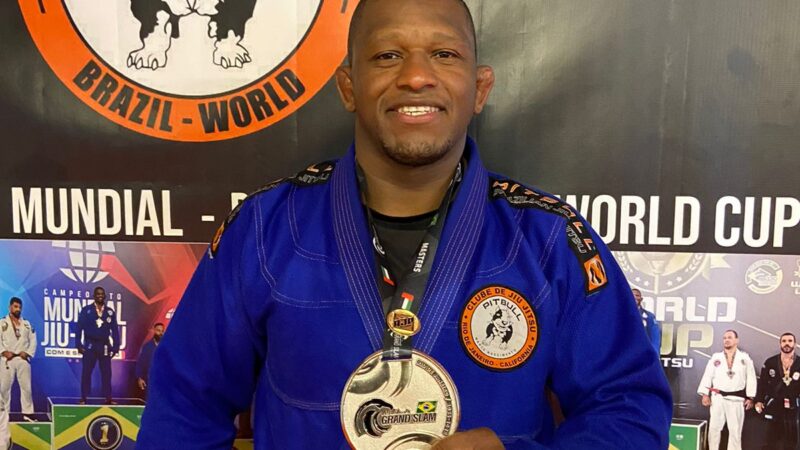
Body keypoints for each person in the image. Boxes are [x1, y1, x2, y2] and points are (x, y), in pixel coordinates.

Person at [137, 0, 672, 448]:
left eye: (445, 54)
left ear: (480, 88)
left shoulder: (549, 239)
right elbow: (183, 407)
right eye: (387, 55)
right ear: (348, 86)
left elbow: (628, 406)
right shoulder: (263, 232)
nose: (416, 76)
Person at [697, 329, 757, 450]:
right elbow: (708, 375)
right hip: (717, 398)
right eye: (724, 338)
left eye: (729, 337)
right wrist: (705, 394)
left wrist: (750, 397)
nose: (726, 340)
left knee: (735, 431)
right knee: (714, 429)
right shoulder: (716, 357)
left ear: (736, 340)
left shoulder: (745, 358)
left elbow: (751, 377)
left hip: (736, 399)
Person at [755, 332, 800, 450]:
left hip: (793, 404)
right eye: (784, 341)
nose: (787, 343)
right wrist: (759, 400)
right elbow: (763, 383)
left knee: (791, 438)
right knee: (771, 437)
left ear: (795, 344)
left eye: (790, 341)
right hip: (775, 403)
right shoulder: (770, 362)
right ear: (780, 344)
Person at [75, 286, 119, 405]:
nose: (100, 296)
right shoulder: (86, 310)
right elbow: (79, 328)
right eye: (98, 294)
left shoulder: (110, 312)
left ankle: (108, 397)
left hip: (104, 345)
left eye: (102, 294)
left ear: (105, 296)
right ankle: (84, 397)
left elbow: (115, 330)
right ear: (94, 296)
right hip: (90, 344)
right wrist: (78, 344)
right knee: (86, 371)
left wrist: (116, 346)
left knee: (107, 372)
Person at [0, 297, 36, 420]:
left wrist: (28, 353)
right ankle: (3, 414)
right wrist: (3, 351)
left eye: (20, 307)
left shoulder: (27, 324)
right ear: (10, 307)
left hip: (22, 359)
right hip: (7, 359)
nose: (18, 309)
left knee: (27, 388)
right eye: (15, 307)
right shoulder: (2, 322)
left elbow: (33, 340)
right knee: (4, 388)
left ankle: (28, 413)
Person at [135, 322, 164, 400]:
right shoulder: (147, 347)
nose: (160, 333)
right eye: (158, 330)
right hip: (150, 379)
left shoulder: (166, 346)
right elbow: (141, 362)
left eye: (162, 331)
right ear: (154, 331)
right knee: (150, 400)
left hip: (163, 379)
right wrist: (140, 378)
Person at [632, 288, 661, 353]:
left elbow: (655, 338)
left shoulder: (649, 316)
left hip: (643, 353)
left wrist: (654, 354)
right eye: (632, 295)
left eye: (637, 295)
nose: (634, 297)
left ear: (641, 299)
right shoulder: (620, 315)